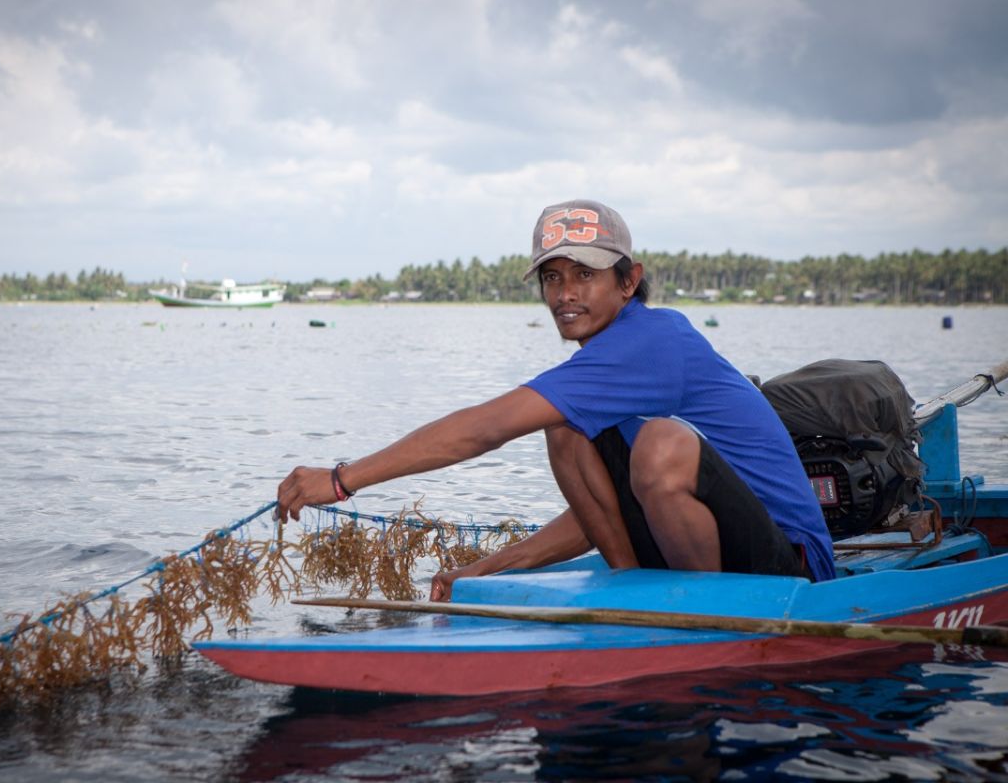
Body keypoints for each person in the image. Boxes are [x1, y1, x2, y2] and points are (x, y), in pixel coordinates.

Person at [276, 199, 835, 601]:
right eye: (552, 277)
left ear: (628, 280)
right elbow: (600, 512)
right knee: (563, 426)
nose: (565, 293)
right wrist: (489, 569)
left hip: (789, 568)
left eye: (585, 275)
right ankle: (631, 586)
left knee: (662, 444)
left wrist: (344, 479)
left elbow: (485, 426)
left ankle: (700, 614)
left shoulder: (657, 339)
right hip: (702, 548)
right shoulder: (597, 368)